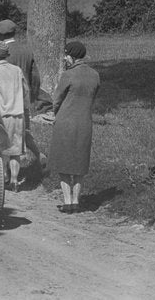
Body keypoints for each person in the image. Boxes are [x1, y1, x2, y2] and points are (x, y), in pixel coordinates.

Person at [50, 41, 101, 213]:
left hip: (65, 121)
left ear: (72, 56)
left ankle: (67, 201)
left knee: (63, 162)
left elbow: (57, 100)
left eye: (66, 55)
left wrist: (55, 113)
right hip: (85, 121)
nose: (64, 58)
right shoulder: (95, 75)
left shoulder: (68, 75)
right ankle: (76, 201)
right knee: (80, 162)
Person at [0, 40, 30, 191]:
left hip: (3, 114)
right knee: (15, 150)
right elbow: (25, 89)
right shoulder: (17, 70)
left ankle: (4, 176)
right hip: (19, 114)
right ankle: (15, 180)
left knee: (2, 148)